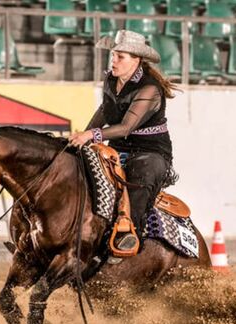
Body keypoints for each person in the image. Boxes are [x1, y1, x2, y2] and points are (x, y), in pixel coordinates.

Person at [68, 30, 178, 255]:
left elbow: (127, 127)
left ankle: (130, 235)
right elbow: (104, 110)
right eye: (113, 55)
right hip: (119, 148)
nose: (114, 60)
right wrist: (83, 136)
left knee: (140, 175)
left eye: (121, 56)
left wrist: (91, 136)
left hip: (151, 152)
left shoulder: (150, 89)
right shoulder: (110, 80)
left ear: (136, 60)